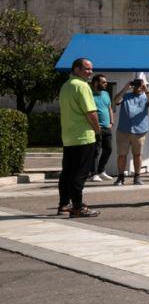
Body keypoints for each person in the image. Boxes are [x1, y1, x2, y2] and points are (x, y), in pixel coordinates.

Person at [58, 58, 100, 217]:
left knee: (67, 173)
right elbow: (91, 112)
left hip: (68, 137)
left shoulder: (66, 86)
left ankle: (63, 204)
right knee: (80, 174)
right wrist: (97, 130)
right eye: (87, 69)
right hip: (84, 136)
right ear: (76, 69)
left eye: (91, 69)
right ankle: (77, 207)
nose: (90, 72)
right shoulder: (82, 86)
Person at [112, 78, 149, 186]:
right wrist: (125, 88)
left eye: (140, 85)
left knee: (138, 154)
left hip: (140, 130)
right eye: (136, 85)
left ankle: (137, 176)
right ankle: (120, 177)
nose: (138, 87)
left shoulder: (145, 96)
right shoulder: (126, 95)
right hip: (123, 130)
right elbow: (115, 101)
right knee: (122, 155)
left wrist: (147, 90)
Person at [88, 74, 114, 182]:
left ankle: (101, 171)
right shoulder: (89, 94)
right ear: (96, 83)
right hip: (95, 128)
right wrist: (95, 125)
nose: (106, 84)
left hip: (107, 127)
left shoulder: (106, 93)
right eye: (103, 82)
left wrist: (111, 122)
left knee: (108, 149)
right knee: (95, 151)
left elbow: (110, 108)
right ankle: (93, 174)